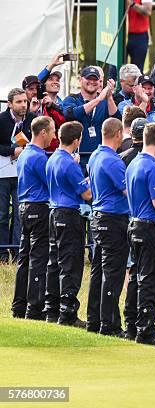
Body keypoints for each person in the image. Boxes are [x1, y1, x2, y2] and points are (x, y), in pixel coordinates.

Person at [45, 121, 92, 327]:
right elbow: (86, 193)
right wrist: (90, 179)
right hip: (69, 213)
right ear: (77, 140)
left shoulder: (53, 158)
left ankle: (52, 309)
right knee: (71, 264)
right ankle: (68, 313)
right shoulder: (70, 164)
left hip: (54, 211)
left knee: (54, 262)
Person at [86, 118, 130, 336]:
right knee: (113, 273)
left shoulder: (95, 155)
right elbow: (126, 191)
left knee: (98, 270)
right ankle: (109, 323)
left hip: (99, 216)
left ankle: (94, 319)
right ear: (118, 134)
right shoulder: (112, 161)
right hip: (113, 218)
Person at [125, 122, 155, 345]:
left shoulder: (133, 163)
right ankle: (146, 328)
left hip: (134, 224)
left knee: (135, 276)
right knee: (150, 279)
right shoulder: (153, 168)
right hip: (150, 225)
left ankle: (131, 323)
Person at [11, 117, 54, 320]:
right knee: (38, 258)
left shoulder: (25, 153)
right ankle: (34, 307)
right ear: (43, 132)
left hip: (24, 207)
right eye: (52, 131)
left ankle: (19, 305)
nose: (54, 135)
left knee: (25, 257)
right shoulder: (38, 157)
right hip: (38, 207)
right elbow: (50, 182)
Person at [0, 88, 34, 263]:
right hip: (3, 174)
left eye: (25, 102)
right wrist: (13, 150)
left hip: (23, 173)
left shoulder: (31, 119)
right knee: (2, 214)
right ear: (10, 104)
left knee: (21, 214)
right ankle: (2, 252)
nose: (23, 105)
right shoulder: (2, 120)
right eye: (19, 102)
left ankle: (18, 251)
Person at [62, 67, 118, 159]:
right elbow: (71, 114)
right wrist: (98, 99)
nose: (92, 82)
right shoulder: (72, 99)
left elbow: (116, 120)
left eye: (95, 79)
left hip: (99, 158)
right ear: (81, 80)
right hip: (77, 158)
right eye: (88, 78)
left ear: (100, 82)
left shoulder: (105, 101)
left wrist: (109, 97)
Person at [126, 0, 152, 72]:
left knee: (136, 72)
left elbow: (148, 11)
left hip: (139, 36)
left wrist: (132, 4)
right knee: (114, 71)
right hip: (120, 36)